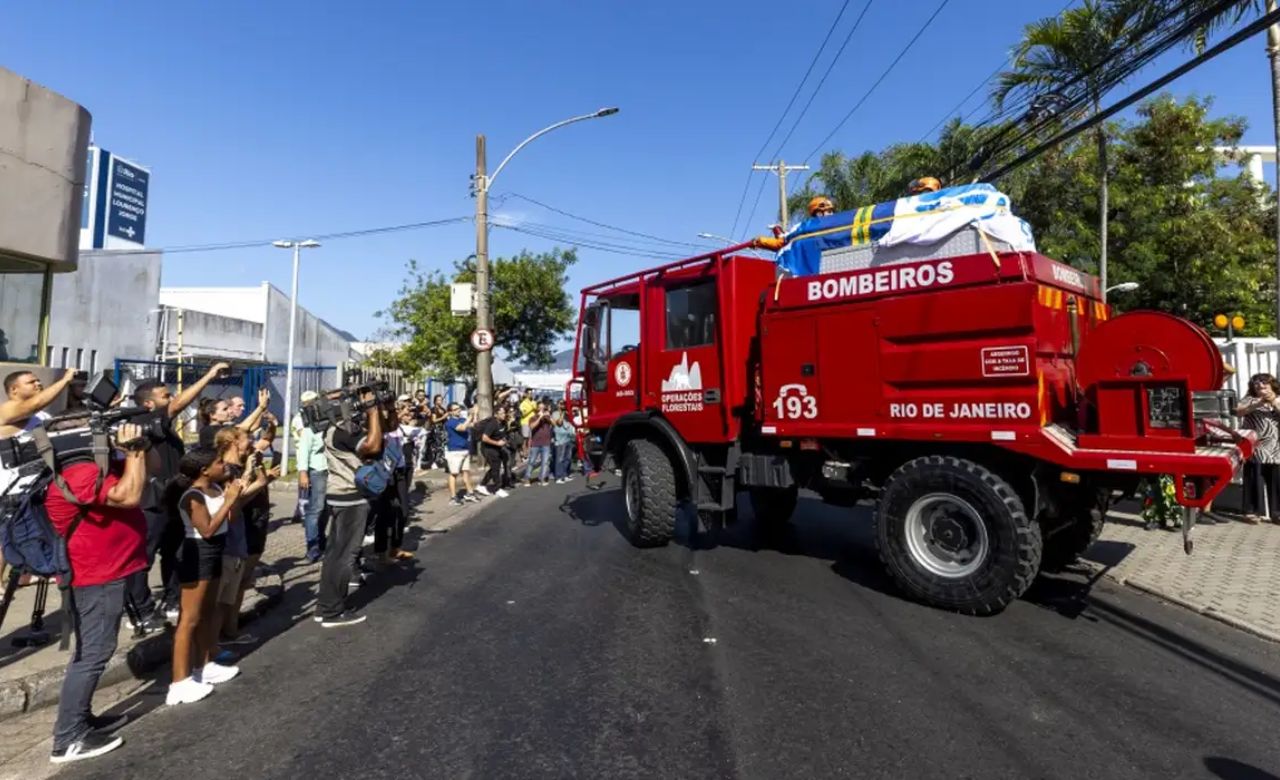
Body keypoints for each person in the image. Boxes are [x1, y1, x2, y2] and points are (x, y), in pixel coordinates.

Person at [45, 423, 149, 764]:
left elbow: (147, 477)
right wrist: (133, 450)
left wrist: (138, 448)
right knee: (93, 653)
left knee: (92, 649)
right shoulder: (78, 472)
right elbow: (131, 495)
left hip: (108, 570)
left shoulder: (95, 466)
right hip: (96, 575)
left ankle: (81, 717)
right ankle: (68, 738)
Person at [126, 362, 232, 628]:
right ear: (149, 404)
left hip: (172, 498)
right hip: (152, 502)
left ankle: (172, 600)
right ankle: (141, 610)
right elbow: (177, 406)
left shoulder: (161, 424)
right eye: (164, 395)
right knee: (143, 557)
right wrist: (208, 375)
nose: (171, 399)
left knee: (174, 552)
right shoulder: (143, 421)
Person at [167, 447, 244, 707]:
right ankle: (179, 682)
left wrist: (237, 494)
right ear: (204, 469)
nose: (224, 465)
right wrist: (230, 500)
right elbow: (207, 529)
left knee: (208, 612)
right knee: (189, 619)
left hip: (216, 552)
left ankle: (204, 665)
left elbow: (228, 520)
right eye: (219, 462)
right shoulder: (193, 496)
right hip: (197, 553)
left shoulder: (217, 488)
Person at [315, 388, 383, 627]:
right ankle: (332, 612)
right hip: (351, 498)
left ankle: (325, 606)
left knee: (334, 554)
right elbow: (373, 446)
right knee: (345, 555)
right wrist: (373, 410)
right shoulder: (343, 431)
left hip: (339, 495)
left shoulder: (332, 429)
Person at [213, 427, 277, 646]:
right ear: (232, 442)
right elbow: (235, 502)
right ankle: (226, 632)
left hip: (254, 521)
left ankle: (231, 628)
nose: (251, 441)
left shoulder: (244, 463)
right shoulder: (226, 469)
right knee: (234, 585)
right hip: (242, 527)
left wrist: (258, 472)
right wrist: (258, 482)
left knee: (242, 581)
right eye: (246, 438)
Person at [1237, 373, 1280, 524]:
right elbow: (1238, 411)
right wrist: (1257, 404)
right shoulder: (1249, 399)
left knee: (1276, 480)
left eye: (1264, 384)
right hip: (1254, 445)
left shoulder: (1278, 398)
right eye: (1257, 385)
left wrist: (1273, 401)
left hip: (1275, 447)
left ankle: (1277, 513)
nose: (1260, 387)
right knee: (1253, 477)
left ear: (1271, 385)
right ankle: (1251, 511)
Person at [296, 391, 329, 563]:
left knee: (325, 511)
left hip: (329, 470)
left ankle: (322, 542)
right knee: (315, 510)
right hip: (316, 471)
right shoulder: (309, 426)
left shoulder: (328, 423)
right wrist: (303, 473)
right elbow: (303, 450)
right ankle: (313, 548)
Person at [0, 368, 76, 440]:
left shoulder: (41, 415)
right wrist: (65, 380)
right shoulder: (5, 410)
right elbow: (35, 404)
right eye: (31, 382)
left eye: (38, 381)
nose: (38, 383)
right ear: (14, 389)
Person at [755, 196, 836, 252]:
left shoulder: (838, 226)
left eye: (832, 211)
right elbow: (781, 242)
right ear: (819, 213)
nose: (831, 214)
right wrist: (761, 241)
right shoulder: (804, 227)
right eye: (828, 211)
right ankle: (776, 229)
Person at [443, 402, 479, 506]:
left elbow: (473, 425)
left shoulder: (461, 419)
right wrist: (470, 416)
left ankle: (470, 493)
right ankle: (453, 497)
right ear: (450, 412)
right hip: (455, 450)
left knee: (466, 472)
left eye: (459, 408)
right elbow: (462, 428)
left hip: (464, 449)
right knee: (454, 473)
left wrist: (475, 414)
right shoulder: (450, 422)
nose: (458, 410)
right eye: (455, 409)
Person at [475, 407, 511, 498]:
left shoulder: (503, 423)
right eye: (502, 413)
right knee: (496, 468)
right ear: (496, 414)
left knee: (495, 467)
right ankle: (497, 488)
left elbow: (502, 434)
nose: (504, 414)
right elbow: (484, 438)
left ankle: (481, 485)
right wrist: (497, 443)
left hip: (496, 448)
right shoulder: (492, 424)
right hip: (488, 449)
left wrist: (504, 440)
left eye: (504, 412)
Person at [524, 402, 554, 486]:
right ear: (537, 409)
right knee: (532, 462)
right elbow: (531, 427)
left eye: (543, 408)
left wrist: (549, 416)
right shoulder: (533, 418)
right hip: (535, 443)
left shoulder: (547, 418)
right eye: (540, 408)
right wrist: (540, 417)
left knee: (545, 462)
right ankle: (527, 478)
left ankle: (542, 478)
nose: (541, 409)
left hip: (546, 443)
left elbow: (555, 424)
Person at [552, 409, 576, 484]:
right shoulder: (555, 413)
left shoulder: (567, 414)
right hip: (560, 441)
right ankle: (558, 477)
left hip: (568, 438)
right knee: (560, 459)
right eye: (561, 404)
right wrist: (562, 413)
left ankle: (564, 475)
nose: (563, 406)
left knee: (568, 459)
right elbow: (559, 422)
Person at [518, 389, 537, 457]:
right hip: (525, 422)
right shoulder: (523, 403)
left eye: (531, 393)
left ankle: (529, 452)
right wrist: (531, 409)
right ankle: (524, 451)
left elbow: (536, 410)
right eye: (529, 393)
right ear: (526, 394)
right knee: (525, 438)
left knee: (530, 438)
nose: (530, 394)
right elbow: (523, 414)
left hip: (533, 422)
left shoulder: (534, 402)